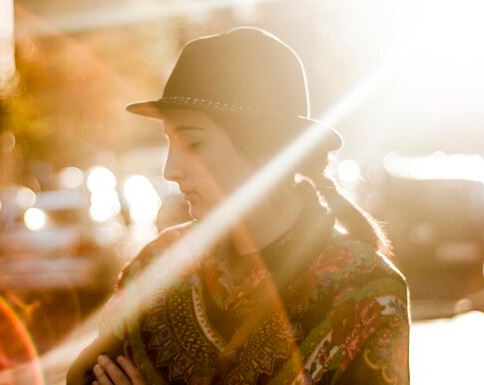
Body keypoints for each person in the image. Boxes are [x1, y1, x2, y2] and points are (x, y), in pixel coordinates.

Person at [68, 27, 410, 385]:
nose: (171, 170)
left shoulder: (367, 292)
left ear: (268, 150)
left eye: (193, 144)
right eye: (168, 142)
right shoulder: (156, 266)